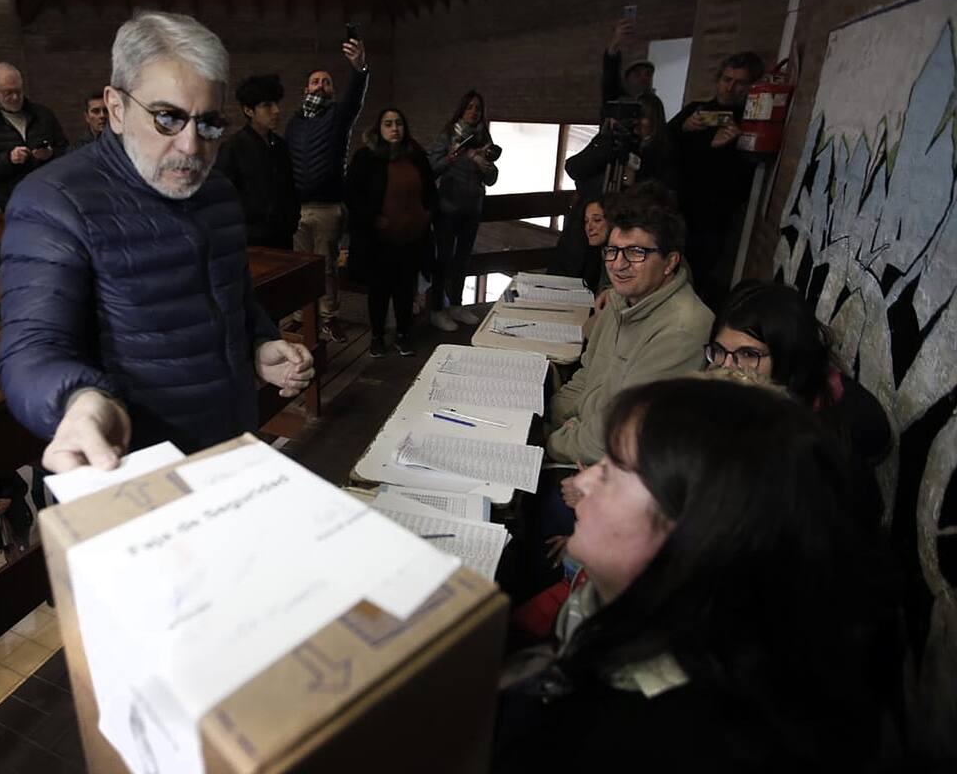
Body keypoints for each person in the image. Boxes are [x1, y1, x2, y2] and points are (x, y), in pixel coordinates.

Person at [493, 377, 898, 770]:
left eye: (612, 473)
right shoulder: (643, 623)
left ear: (693, 534)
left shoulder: (649, 742)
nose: (581, 481)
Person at [0, 11, 314, 471]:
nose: (191, 146)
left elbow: (231, 300)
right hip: (131, 465)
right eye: (168, 118)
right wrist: (79, 400)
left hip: (230, 446)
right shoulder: (54, 201)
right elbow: (31, 346)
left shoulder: (219, 192)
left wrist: (261, 343)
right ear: (117, 108)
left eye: (207, 124)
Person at [706, 280, 893, 531]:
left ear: (788, 358)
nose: (727, 367)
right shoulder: (739, 397)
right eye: (718, 351)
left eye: (748, 355)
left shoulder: (817, 451)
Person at [547, 182, 712, 465]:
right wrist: (550, 421)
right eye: (612, 251)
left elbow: (617, 436)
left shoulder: (682, 330)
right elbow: (586, 375)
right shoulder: (622, 298)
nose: (618, 265)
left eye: (636, 253)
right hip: (577, 442)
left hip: (616, 469)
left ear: (670, 261)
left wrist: (550, 442)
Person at [285, 38, 371, 344]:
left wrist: (360, 67)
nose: (320, 85)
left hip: (326, 208)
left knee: (326, 269)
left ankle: (328, 318)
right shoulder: (294, 124)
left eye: (326, 82)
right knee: (297, 268)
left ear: (332, 90)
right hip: (296, 208)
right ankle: (298, 317)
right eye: (315, 81)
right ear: (306, 89)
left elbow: (356, 99)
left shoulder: (338, 117)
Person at [667, 51, 765, 308]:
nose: (730, 87)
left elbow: (743, 183)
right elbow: (659, 149)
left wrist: (735, 146)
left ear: (749, 87)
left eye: (739, 82)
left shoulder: (748, 124)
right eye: (726, 79)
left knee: (693, 284)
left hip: (712, 223)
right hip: (673, 211)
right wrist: (684, 128)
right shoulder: (695, 111)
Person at [345, 108, 436, 358]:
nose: (394, 128)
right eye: (388, 124)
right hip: (379, 241)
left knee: (405, 291)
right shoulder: (366, 157)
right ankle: (377, 337)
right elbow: (353, 195)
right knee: (379, 291)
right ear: (379, 129)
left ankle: (404, 334)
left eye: (398, 123)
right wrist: (372, 219)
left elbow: (429, 190)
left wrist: (426, 214)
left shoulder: (416, 156)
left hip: (411, 238)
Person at [427, 90, 499, 332]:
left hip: (472, 209)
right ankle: (437, 309)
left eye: (477, 108)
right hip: (447, 208)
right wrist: (452, 157)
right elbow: (431, 169)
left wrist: (485, 166)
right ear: (461, 109)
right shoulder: (448, 135)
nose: (474, 112)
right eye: (469, 107)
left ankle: (456, 305)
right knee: (443, 259)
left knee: (463, 259)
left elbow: (492, 179)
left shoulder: (484, 139)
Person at [0, 62, 68, 209]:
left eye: (18, 91)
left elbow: (65, 149)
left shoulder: (43, 114)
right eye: (8, 93)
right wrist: (8, 159)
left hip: (48, 195)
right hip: (12, 200)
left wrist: (50, 153)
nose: (15, 97)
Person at [215, 74, 300, 250]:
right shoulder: (233, 148)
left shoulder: (281, 146)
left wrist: (292, 219)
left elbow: (290, 188)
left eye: (276, 104)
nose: (276, 110)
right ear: (249, 110)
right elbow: (222, 199)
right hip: (250, 241)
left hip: (283, 237)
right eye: (267, 105)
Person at [564, 92, 676, 201]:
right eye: (630, 115)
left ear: (655, 121)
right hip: (592, 209)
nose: (636, 121)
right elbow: (573, 168)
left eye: (642, 116)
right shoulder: (608, 140)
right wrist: (608, 143)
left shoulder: (661, 151)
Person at [601, 18, 659, 109]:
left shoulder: (654, 103)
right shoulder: (617, 99)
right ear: (627, 79)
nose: (644, 78)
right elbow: (610, 72)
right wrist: (616, 43)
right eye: (637, 74)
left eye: (648, 74)